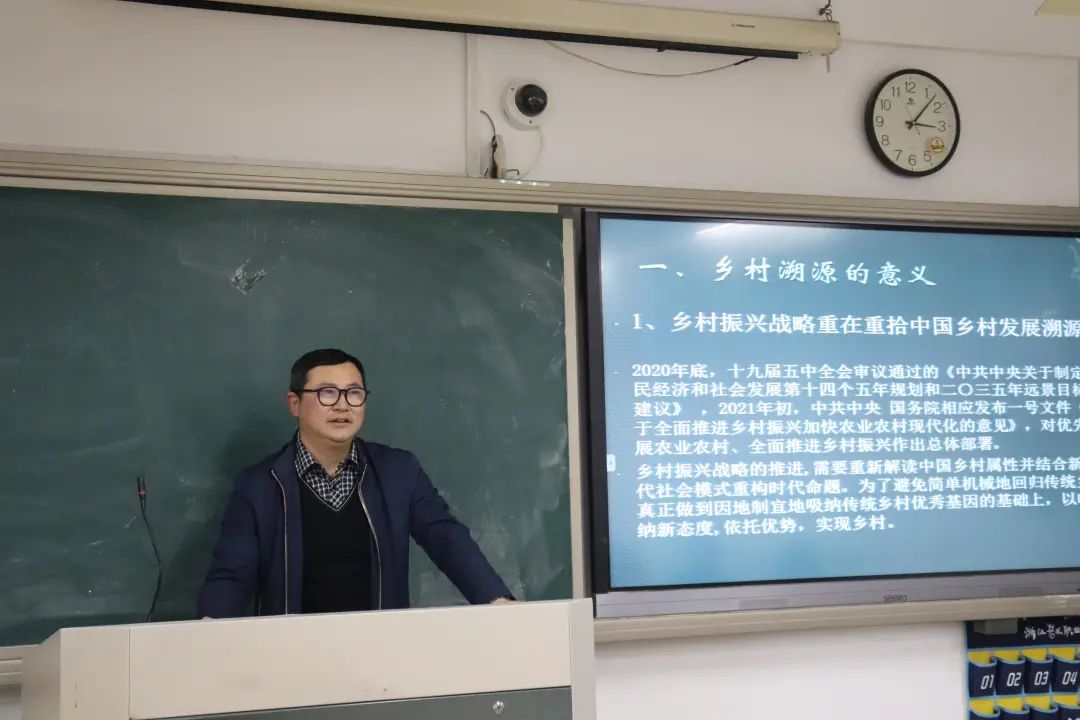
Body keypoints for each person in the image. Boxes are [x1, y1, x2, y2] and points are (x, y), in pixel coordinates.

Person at [198, 348, 513, 617]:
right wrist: (211, 628)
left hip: (379, 650)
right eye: (327, 393)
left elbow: (446, 538)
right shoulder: (259, 486)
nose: (342, 405)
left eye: (354, 393)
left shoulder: (398, 472)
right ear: (294, 403)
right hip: (292, 653)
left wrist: (496, 600)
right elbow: (232, 574)